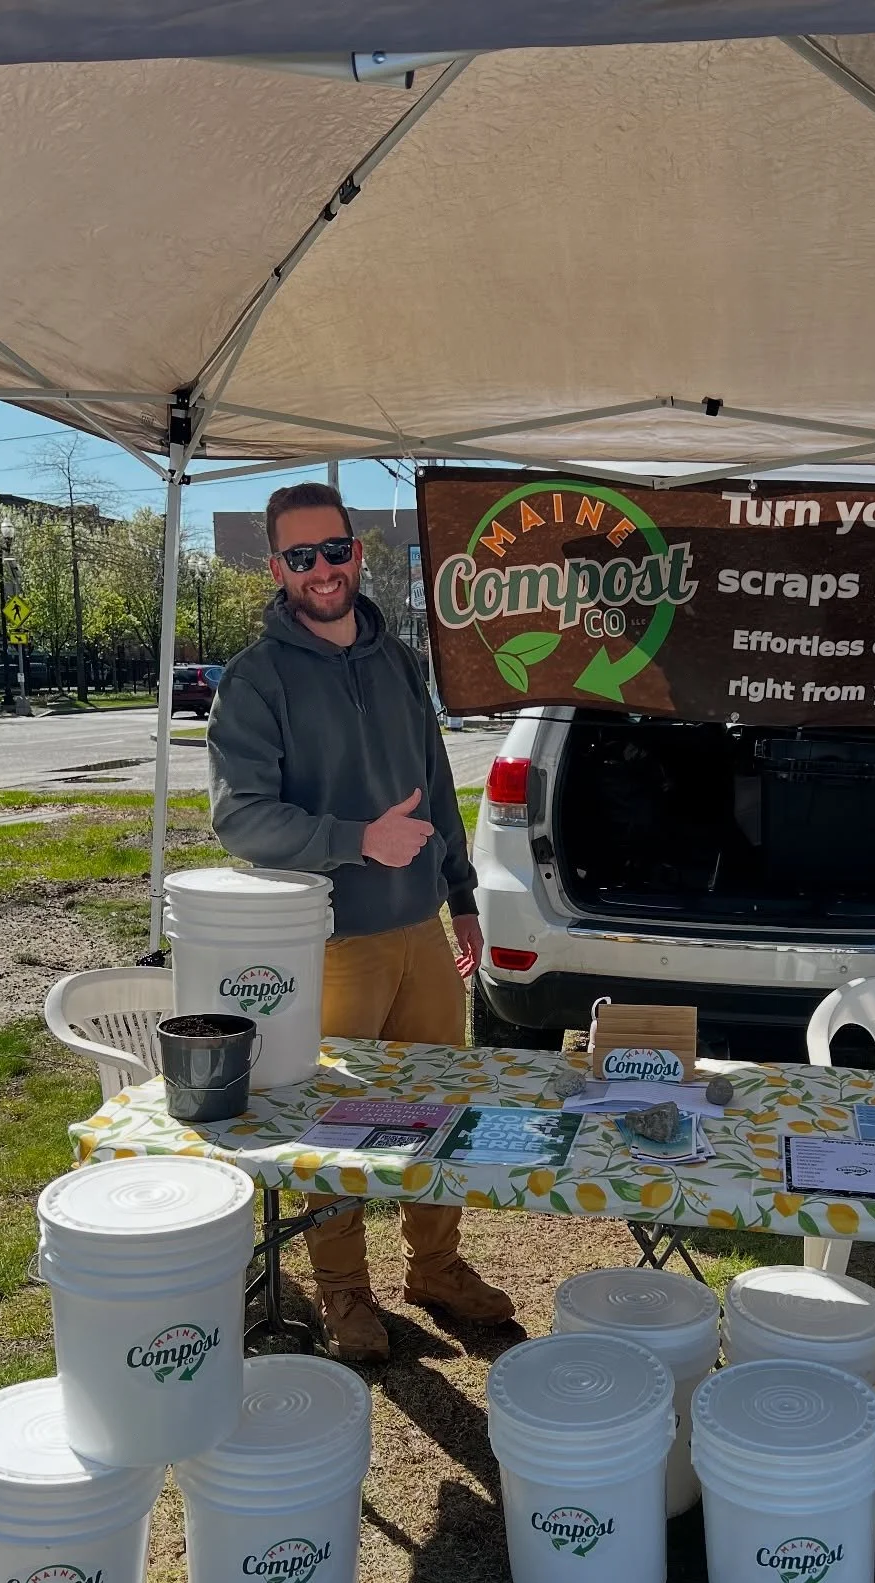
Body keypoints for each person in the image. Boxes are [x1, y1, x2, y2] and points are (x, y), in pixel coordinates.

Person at [206, 482, 514, 1361]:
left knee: (438, 1107)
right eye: (299, 558)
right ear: (277, 569)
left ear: (357, 551)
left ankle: (437, 1268)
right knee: (334, 1125)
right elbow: (241, 818)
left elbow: (437, 785)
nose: (321, 571)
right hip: (329, 942)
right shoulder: (255, 679)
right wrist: (355, 840)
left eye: (333, 550)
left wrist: (459, 893)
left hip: (422, 930)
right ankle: (346, 1295)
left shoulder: (396, 659)